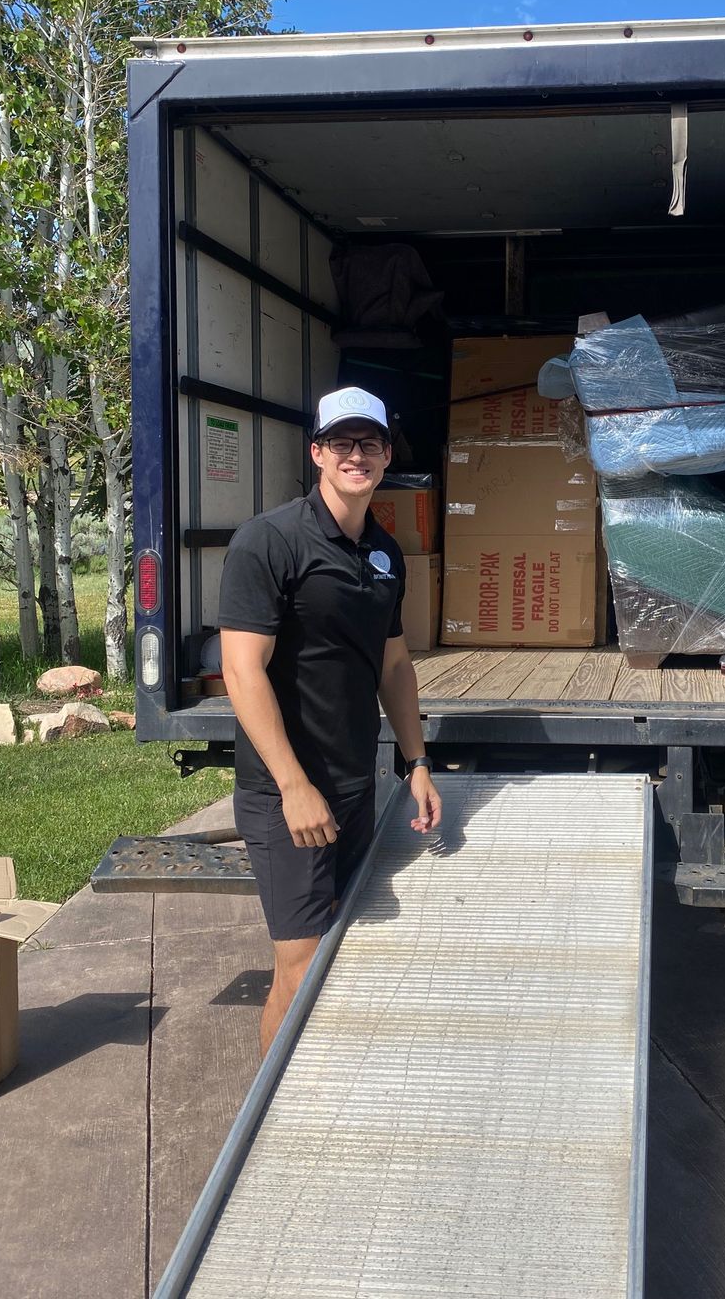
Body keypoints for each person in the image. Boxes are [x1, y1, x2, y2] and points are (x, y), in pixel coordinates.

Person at [218, 386, 442, 1054]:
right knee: (301, 965)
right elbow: (241, 671)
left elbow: (394, 667)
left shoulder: (384, 553)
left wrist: (418, 762)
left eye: (369, 442)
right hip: (285, 795)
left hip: (352, 785)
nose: (356, 454)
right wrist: (292, 785)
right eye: (341, 442)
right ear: (316, 452)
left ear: (385, 456)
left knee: (342, 954)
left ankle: (316, 1082)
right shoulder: (269, 542)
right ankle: (271, 1123)